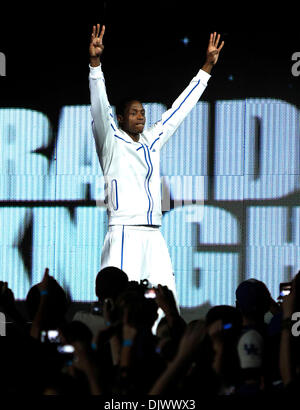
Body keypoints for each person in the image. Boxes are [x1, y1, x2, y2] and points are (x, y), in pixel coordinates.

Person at [88, 23, 224, 300]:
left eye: (143, 112)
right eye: (134, 112)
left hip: (154, 233)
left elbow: (179, 109)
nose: (141, 116)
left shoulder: (152, 140)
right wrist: (95, 64)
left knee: (165, 298)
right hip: (125, 232)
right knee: (122, 299)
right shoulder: (111, 141)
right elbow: (100, 106)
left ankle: (165, 342)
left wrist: (206, 68)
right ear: (121, 118)